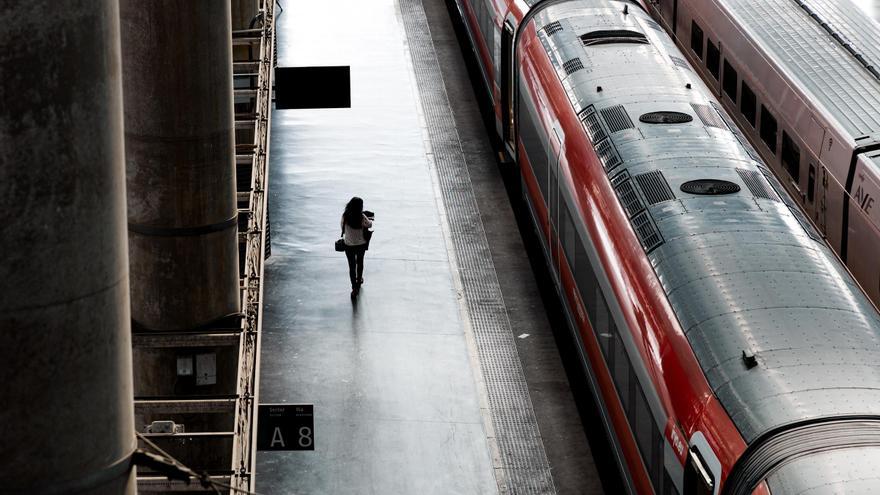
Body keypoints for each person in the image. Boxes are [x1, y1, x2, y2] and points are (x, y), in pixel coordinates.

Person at [341, 197, 373, 297]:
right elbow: (369, 225)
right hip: (361, 245)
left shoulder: (345, 216)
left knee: (351, 266)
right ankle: (359, 280)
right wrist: (368, 219)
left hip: (349, 245)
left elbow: (342, 226)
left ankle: (354, 288)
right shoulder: (361, 216)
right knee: (360, 262)